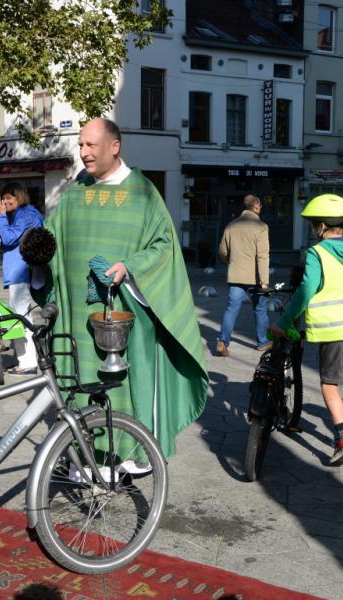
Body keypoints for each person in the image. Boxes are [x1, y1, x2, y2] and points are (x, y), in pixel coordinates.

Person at [34, 117, 208, 458]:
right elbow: (50, 244)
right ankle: (84, 457)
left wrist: (129, 268)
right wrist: (36, 256)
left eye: (90, 145)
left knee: (124, 386)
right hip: (75, 317)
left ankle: (130, 455)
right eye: (80, 145)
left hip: (127, 315)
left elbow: (163, 245)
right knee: (79, 382)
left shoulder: (142, 193)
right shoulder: (72, 195)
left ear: (115, 147)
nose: (82, 152)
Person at [270, 194, 343, 470]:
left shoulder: (317, 253)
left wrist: (284, 322)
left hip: (335, 329)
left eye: (313, 225)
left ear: (320, 226)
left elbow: (306, 290)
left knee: (330, 384)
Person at [0, 183, 44, 375]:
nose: (4, 202)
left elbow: (11, 237)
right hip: (23, 270)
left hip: (20, 272)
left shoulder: (24, 215)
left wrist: (1, 216)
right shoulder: (28, 214)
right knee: (23, 316)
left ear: (19, 197)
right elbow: (15, 240)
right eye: (3, 198)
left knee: (21, 317)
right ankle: (28, 359)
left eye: (8, 198)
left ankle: (27, 362)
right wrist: (0, 241)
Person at [214, 194, 270, 357]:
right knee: (260, 310)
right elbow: (262, 256)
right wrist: (264, 281)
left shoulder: (231, 225)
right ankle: (262, 342)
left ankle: (222, 342)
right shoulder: (261, 227)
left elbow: (223, 251)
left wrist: (231, 262)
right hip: (256, 278)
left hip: (236, 275)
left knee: (231, 309)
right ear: (257, 207)